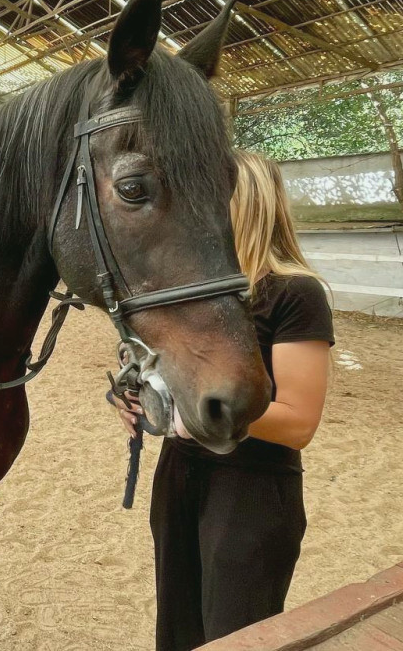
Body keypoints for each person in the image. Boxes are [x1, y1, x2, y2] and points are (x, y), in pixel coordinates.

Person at [112, 150, 334, 651]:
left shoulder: (295, 293)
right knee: (177, 633)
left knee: (236, 636)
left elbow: (299, 423)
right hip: (179, 474)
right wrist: (137, 396)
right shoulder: (194, 298)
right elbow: (165, 375)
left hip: (251, 488)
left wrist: (191, 413)